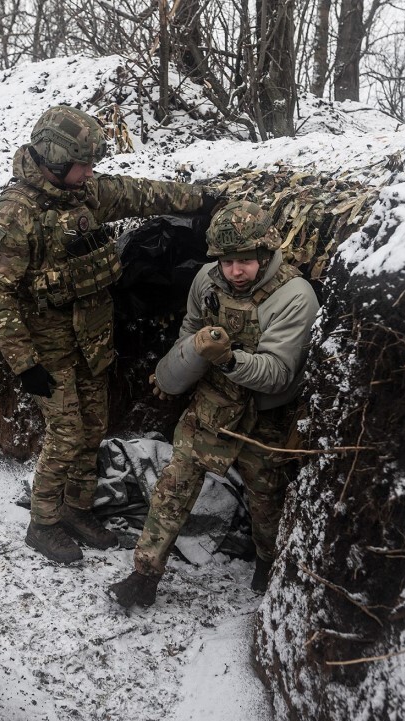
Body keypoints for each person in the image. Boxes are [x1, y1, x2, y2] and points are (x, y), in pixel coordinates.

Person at [0, 104, 218, 564]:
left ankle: (78, 510)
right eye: (83, 164)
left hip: (91, 341)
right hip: (48, 351)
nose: (91, 173)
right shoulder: (15, 216)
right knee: (66, 435)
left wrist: (201, 200)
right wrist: (25, 364)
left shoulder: (85, 194)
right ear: (54, 158)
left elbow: (142, 194)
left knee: (93, 430)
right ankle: (43, 523)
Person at [109, 200, 320, 608]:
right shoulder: (207, 281)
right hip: (212, 404)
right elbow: (189, 331)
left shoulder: (295, 296)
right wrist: (180, 365)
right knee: (173, 487)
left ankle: (266, 561)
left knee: (266, 501)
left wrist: (227, 358)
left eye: (244, 261)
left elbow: (279, 373)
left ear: (265, 253)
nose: (234, 272)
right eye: (226, 261)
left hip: (265, 417)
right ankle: (143, 574)